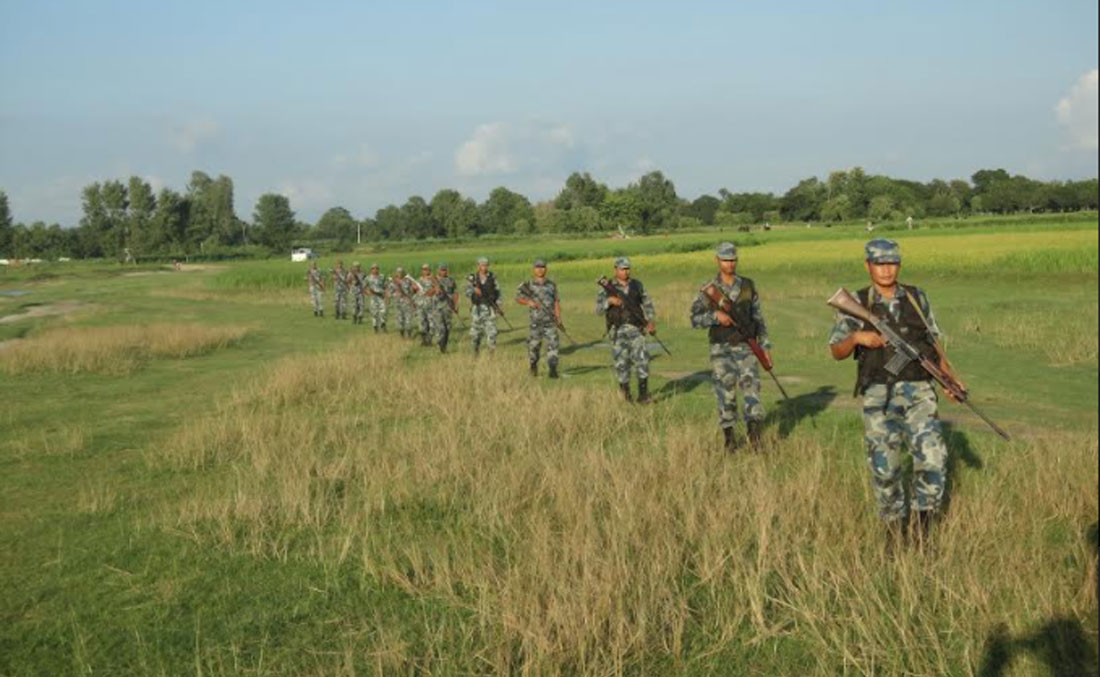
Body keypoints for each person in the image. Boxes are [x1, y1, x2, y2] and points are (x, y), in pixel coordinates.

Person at [827, 238, 951, 548]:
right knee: (885, 467)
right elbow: (836, 352)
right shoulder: (857, 302)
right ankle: (894, 534)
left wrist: (948, 376)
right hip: (878, 395)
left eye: (892, 263)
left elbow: (933, 342)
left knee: (933, 458)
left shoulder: (916, 298)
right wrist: (857, 337)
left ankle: (923, 532)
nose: (886, 269)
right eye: (880, 263)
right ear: (868, 265)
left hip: (920, 390)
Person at [690, 242, 772, 451]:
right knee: (725, 392)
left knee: (752, 389)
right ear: (717, 261)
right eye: (726, 260)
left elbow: (759, 318)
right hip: (721, 348)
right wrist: (715, 316)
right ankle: (729, 440)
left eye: (733, 259)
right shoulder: (709, 290)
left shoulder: (747, 285)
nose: (730, 264)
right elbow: (694, 319)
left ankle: (755, 438)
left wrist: (765, 347)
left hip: (747, 347)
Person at [596, 257, 657, 403]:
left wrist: (651, 321)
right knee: (622, 363)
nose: (625, 271)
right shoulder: (606, 288)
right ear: (615, 270)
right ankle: (625, 396)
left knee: (642, 361)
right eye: (622, 269)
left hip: (637, 329)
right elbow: (598, 310)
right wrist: (609, 302)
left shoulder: (637, 285)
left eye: (627, 268)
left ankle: (643, 396)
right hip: (618, 331)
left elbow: (647, 304)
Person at [516, 258, 561, 377]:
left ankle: (553, 369)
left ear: (546, 269)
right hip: (536, 321)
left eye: (542, 267)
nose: (540, 270)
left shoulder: (551, 285)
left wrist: (558, 316)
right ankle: (533, 365)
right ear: (534, 270)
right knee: (534, 346)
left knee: (553, 345)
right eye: (537, 267)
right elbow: (518, 299)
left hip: (550, 321)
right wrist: (528, 302)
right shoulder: (528, 285)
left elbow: (556, 301)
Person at [466, 256, 501, 355]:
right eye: (482, 265)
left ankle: (491, 353)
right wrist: (474, 291)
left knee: (492, 332)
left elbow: (498, 292)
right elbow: (467, 292)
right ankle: (475, 351)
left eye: (486, 265)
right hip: (477, 308)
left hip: (490, 308)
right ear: (478, 266)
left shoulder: (492, 277)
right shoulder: (472, 278)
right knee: (476, 333)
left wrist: (498, 306)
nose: (484, 267)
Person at [432, 263, 459, 353]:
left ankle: (444, 345)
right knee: (440, 328)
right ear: (438, 271)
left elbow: (455, 292)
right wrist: (435, 290)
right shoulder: (434, 280)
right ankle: (440, 344)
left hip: (448, 307)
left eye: (445, 270)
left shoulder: (451, 280)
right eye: (442, 270)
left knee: (448, 327)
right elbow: (427, 293)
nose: (444, 271)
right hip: (437, 307)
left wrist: (455, 305)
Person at [387, 267, 419, 338]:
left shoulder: (408, 281)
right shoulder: (393, 282)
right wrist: (395, 294)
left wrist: (414, 289)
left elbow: (414, 289)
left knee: (408, 320)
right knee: (400, 321)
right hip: (398, 304)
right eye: (398, 272)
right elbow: (389, 293)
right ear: (396, 273)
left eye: (401, 272)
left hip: (407, 303)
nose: (400, 274)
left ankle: (409, 335)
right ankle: (402, 335)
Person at [414, 263, 436, 345]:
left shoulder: (433, 279)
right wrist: (414, 288)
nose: (426, 271)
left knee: (432, 323)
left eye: (427, 269)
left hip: (431, 304)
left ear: (430, 270)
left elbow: (438, 289)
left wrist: (432, 291)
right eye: (424, 269)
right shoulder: (418, 280)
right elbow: (414, 291)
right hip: (420, 304)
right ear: (421, 271)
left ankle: (430, 339)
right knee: (422, 323)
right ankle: (424, 341)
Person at [366, 263, 387, 332]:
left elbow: (385, 286)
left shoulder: (382, 277)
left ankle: (383, 324)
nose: (375, 270)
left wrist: (386, 295)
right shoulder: (368, 278)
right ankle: (375, 327)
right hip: (373, 297)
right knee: (374, 312)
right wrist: (367, 292)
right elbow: (364, 286)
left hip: (381, 296)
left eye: (376, 268)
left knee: (383, 311)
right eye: (373, 268)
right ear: (371, 270)